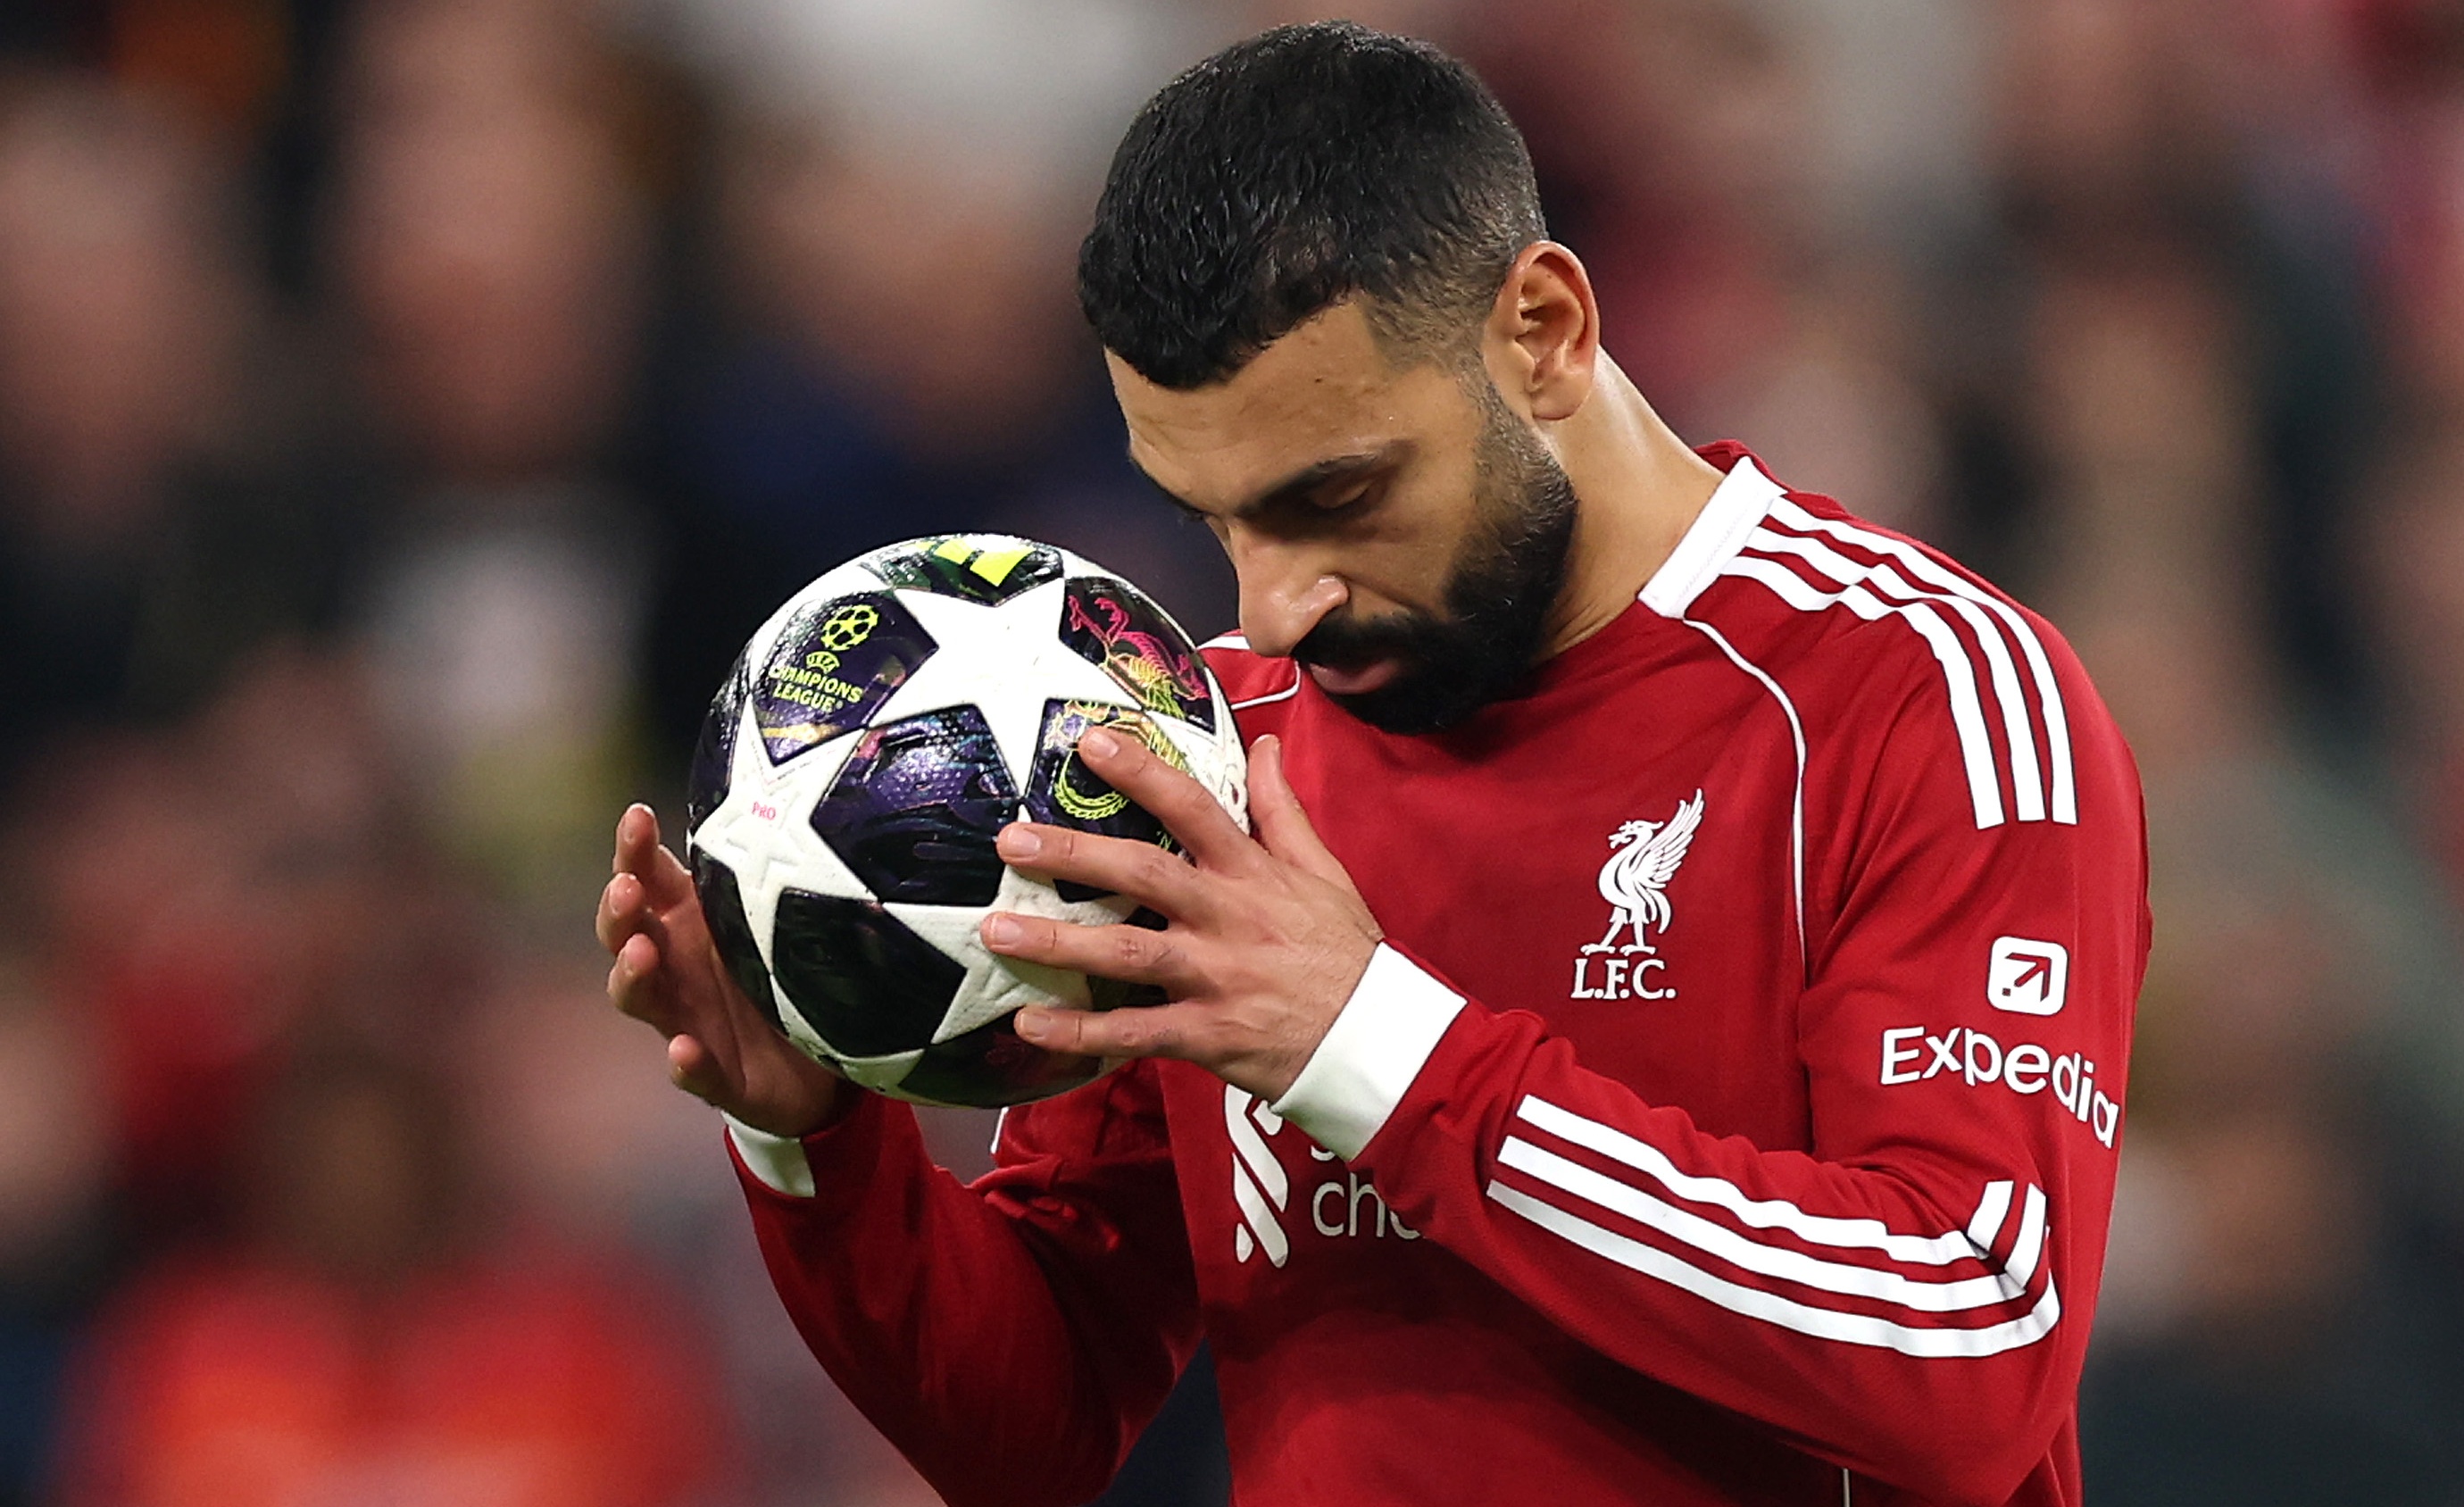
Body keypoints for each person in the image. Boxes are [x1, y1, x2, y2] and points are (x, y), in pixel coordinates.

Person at [596, 22, 2147, 1507]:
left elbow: (1971, 1347)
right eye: (1218, 519)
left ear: (1542, 330)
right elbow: (1046, 1427)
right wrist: (813, 1141)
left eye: (1335, 493)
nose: (1273, 609)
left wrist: (1374, 1051)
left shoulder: (1919, 696)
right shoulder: (1213, 748)